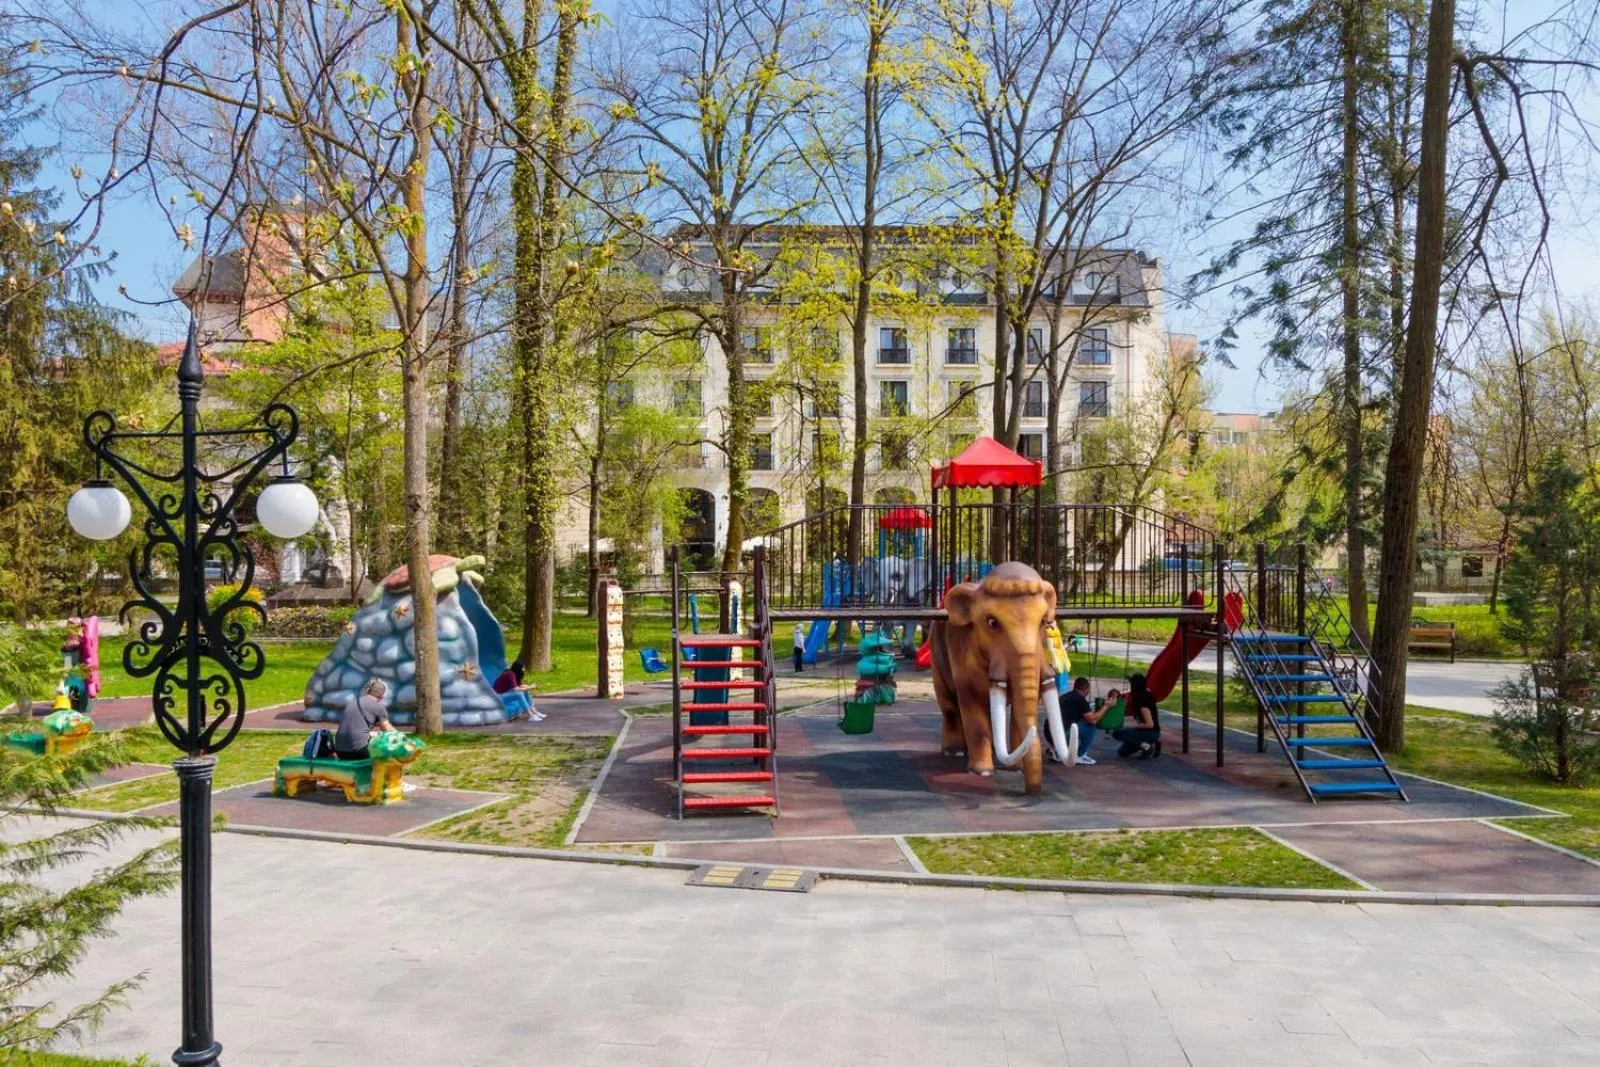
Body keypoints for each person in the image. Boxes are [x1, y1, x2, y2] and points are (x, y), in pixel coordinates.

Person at [336, 679, 394, 760]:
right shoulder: (378, 707)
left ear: (367, 691)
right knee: (388, 750)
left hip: (340, 751)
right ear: (382, 696)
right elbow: (388, 731)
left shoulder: (351, 703)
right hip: (359, 751)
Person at [1057, 676, 1106, 765]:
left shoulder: (1064, 697)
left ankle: (1057, 751)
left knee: (1074, 724)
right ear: (1086, 690)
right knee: (1090, 726)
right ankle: (1080, 755)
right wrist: (1106, 706)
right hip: (1063, 735)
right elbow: (1093, 720)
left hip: (1051, 734)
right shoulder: (1080, 700)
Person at [1112, 672, 1162, 759]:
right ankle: (1149, 743)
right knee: (1122, 753)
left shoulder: (1143, 704)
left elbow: (1150, 724)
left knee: (1117, 733)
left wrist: (1130, 725)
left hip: (1150, 732)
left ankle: (1147, 746)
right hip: (1143, 731)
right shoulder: (1143, 693)